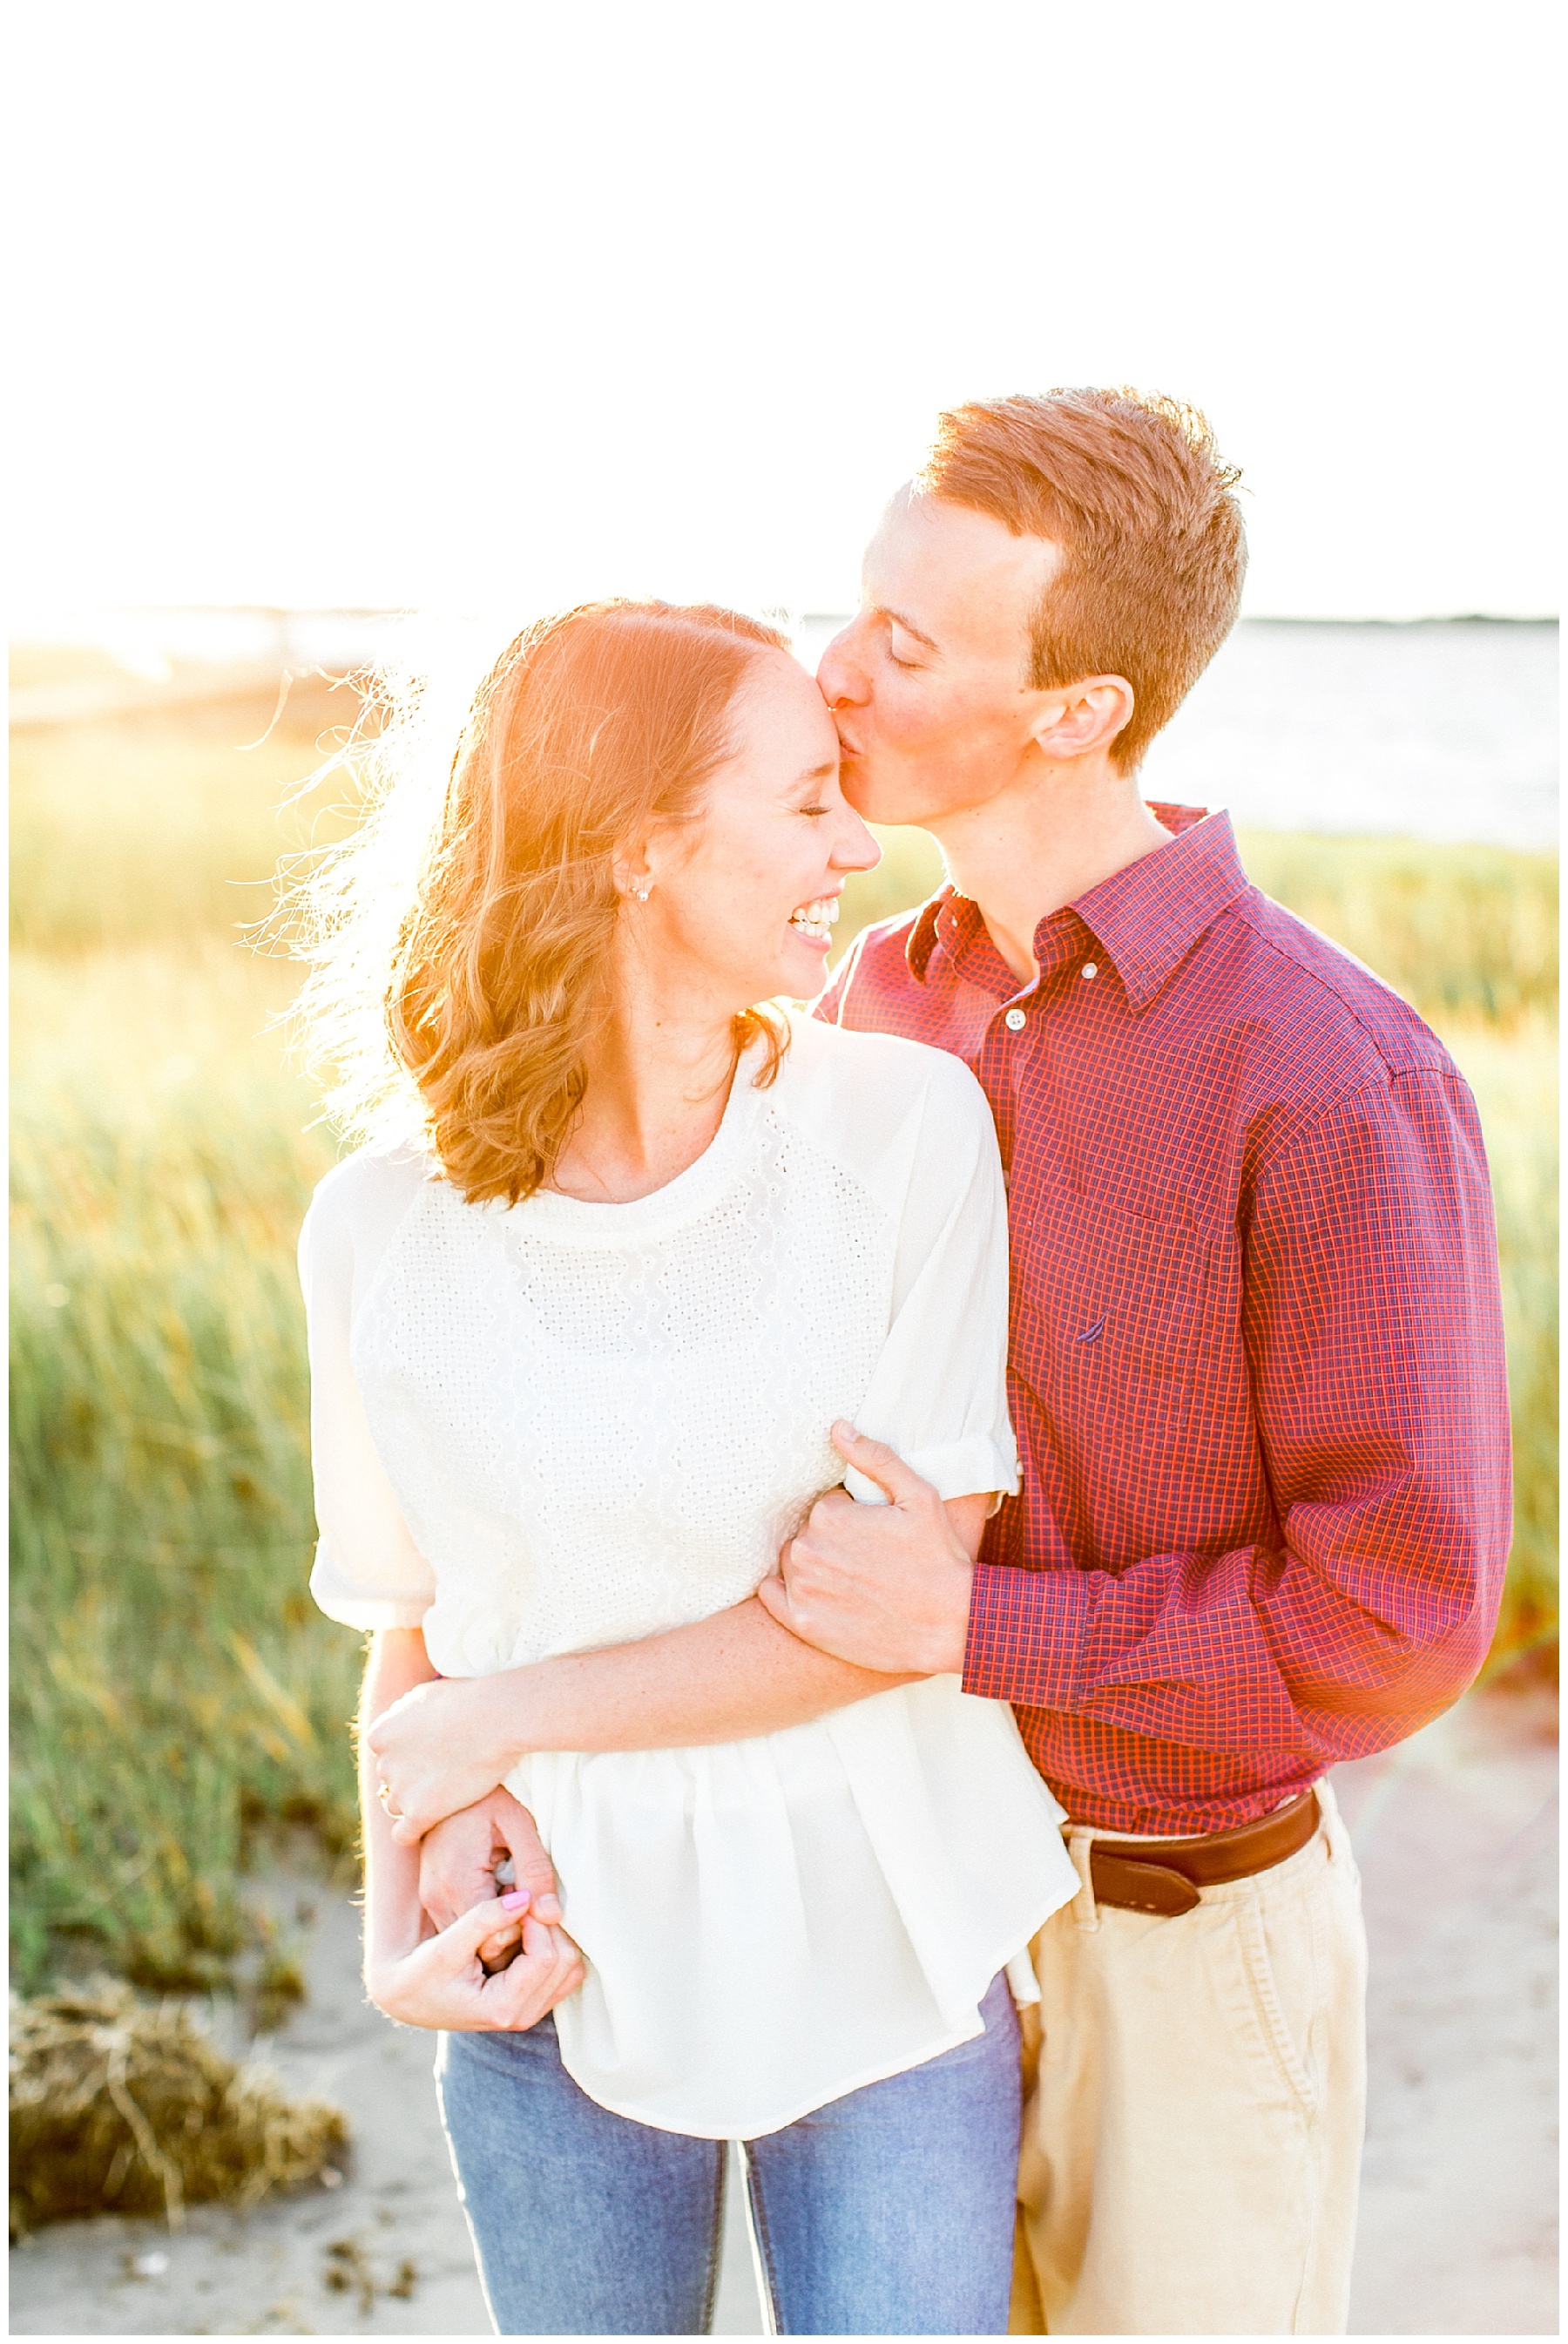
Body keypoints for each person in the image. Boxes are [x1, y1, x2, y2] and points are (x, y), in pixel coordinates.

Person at [764, 388, 1512, 2334]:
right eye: (857, 609)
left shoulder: (1335, 1072)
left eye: (907, 645)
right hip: (904, 1911)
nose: (831, 670)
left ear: (1078, 710)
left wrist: (979, 1624)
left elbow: (1399, 1619)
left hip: (1184, 1934)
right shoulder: (874, 994)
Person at [295, 599, 1081, 2336]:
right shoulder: (379, 1230)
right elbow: (415, 1636)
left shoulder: (902, 1137)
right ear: (642, 840)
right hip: (552, 1971)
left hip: (888, 1953)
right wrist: (391, 1947)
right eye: (805, 801)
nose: (855, 845)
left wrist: (505, 1719)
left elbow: (886, 1616)